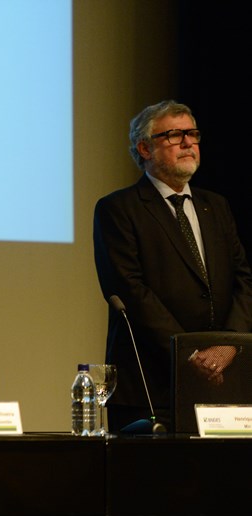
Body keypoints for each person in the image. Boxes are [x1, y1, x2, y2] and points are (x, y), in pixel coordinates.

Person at [94, 100, 252, 431]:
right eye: (174, 135)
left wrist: (228, 345)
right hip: (151, 386)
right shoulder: (119, 208)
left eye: (192, 134)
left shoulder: (216, 206)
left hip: (220, 379)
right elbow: (129, 290)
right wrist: (189, 354)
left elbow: (243, 280)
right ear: (144, 148)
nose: (187, 143)